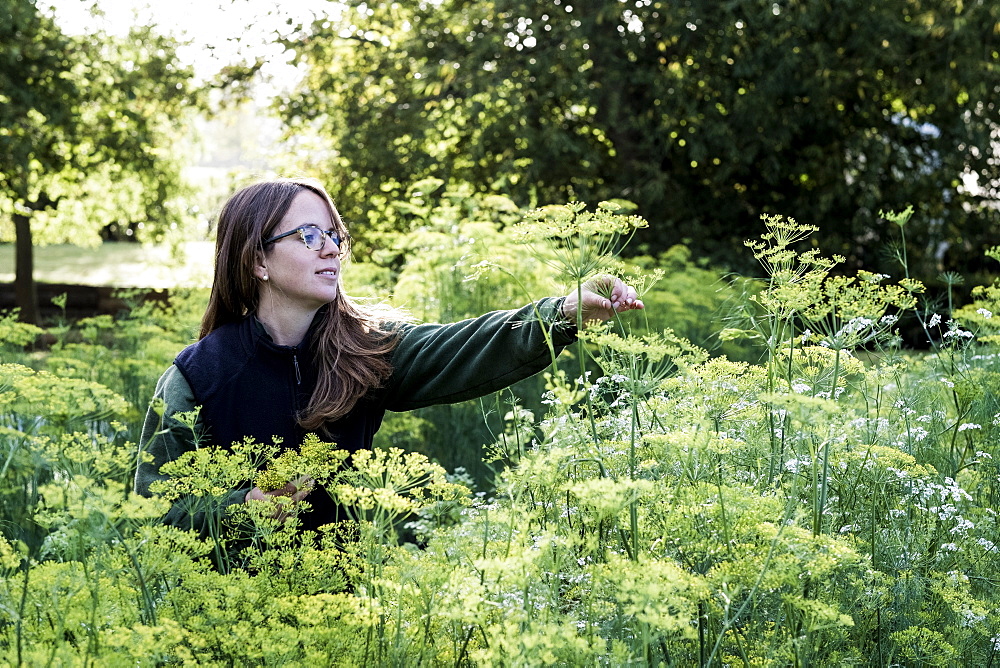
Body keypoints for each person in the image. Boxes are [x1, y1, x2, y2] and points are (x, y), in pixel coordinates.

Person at [135, 177, 643, 531]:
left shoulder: (366, 349)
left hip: (348, 616)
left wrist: (562, 312)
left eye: (334, 235)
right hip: (228, 620)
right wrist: (244, 509)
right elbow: (155, 511)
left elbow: (462, 345)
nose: (331, 248)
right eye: (308, 236)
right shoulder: (198, 376)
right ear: (257, 260)